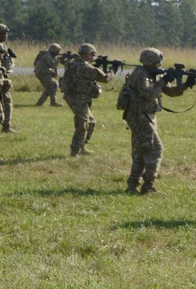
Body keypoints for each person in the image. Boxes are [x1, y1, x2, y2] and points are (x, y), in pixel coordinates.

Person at [120, 48, 188, 194]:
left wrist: (186, 84)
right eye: (157, 62)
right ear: (150, 62)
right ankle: (148, 185)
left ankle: (132, 186)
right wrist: (164, 80)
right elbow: (150, 94)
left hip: (146, 115)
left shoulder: (151, 74)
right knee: (156, 149)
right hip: (139, 116)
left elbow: (170, 91)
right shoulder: (140, 75)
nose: (160, 65)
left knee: (141, 151)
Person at [60, 43, 113, 156]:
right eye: (93, 54)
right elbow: (105, 79)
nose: (93, 57)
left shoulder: (71, 64)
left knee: (91, 122)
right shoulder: (86, 67)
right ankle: (75, 151)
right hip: (78, 98)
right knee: (82, 124)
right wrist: (112, 71)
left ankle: (82, 147)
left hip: (73, 96)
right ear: (88, 54)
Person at [34, 43, 64, 107]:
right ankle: (49, 102)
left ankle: (43, 102)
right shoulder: (47, 55)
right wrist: (58, 60)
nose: (58, 53)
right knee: (54, 84)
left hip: (43, 73)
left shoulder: (49, 54)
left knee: (51, 87)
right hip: (42, 74)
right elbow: (52, 64)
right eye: (57, 51)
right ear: (53, 50)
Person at [0, 23, 14, 133]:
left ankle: (6, 126)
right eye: (3, 33)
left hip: (1, 80)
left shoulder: (1, 47)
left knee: (7, 102)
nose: (6, 35)